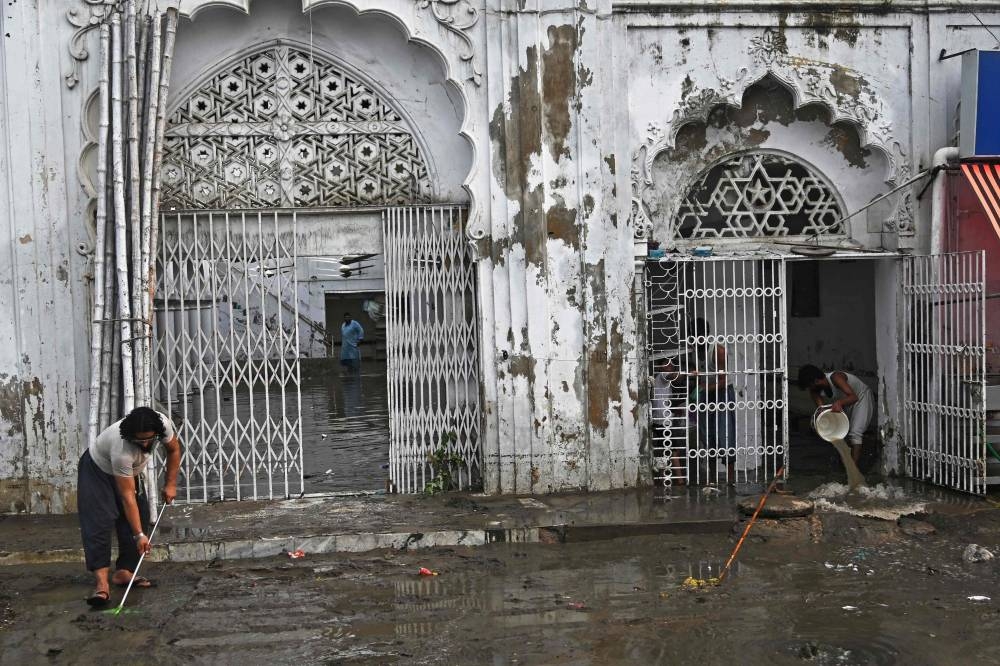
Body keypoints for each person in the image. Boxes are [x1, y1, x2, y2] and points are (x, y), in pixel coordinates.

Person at [77, 406, 181, 607]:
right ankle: (101, 584)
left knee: (138, 516)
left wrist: (170, 484)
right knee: (99, 521)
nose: (144, 444)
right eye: (139, 440)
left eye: (148, 439)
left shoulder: (163, 425)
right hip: (97, 470)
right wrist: (139, 536)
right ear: (130, 436)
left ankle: (124, 572)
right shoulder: (122, 449)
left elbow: (174, 449)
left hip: (129, 471)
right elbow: (127, 496)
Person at [690, 317, 736, 482]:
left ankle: (731, 479)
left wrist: (704, 388)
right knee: (706, 435)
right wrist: (698, 380)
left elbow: (723, 381)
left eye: (698, 335)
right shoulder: (695, 351)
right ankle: (712, 476)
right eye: (693, 336)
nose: (695, 340)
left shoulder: (718, 351)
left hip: (722, 395)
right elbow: (701, 375)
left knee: (725, 434)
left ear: (705, 335)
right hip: (705, 396)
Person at [797, 364, 873, 463]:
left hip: (861, 397)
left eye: (809, 386)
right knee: (842, 431)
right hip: (847, 400)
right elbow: (822, 410)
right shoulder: (814, 389)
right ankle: (845, 462)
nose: (809, 389)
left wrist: (839, 403)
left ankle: (853, 470)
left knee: (855, 433)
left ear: (816, 381)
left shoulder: (836, 377)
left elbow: (854, 397)